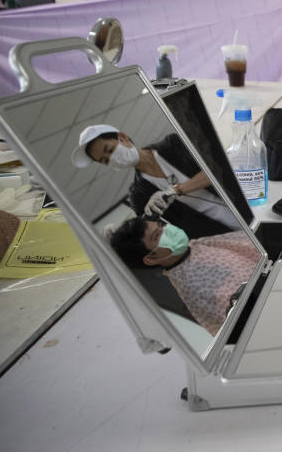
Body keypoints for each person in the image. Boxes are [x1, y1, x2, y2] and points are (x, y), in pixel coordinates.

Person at [72, 124, 240, 238]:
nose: (111, 159)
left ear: (122, 137)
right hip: (225, 235)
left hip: (243, 204)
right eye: (104, 160)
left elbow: (217, 169)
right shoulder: (139, 195)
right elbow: (155, 233)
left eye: (109, 150)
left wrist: (175, 190)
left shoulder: (173, 144)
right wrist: (124, 231)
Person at [109, 217, 259, 335]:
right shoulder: (193, 285)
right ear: (151, 258)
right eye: (157, 235)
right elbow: (249, 312)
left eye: (161, 226)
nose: (167, 230)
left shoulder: (197, 245)